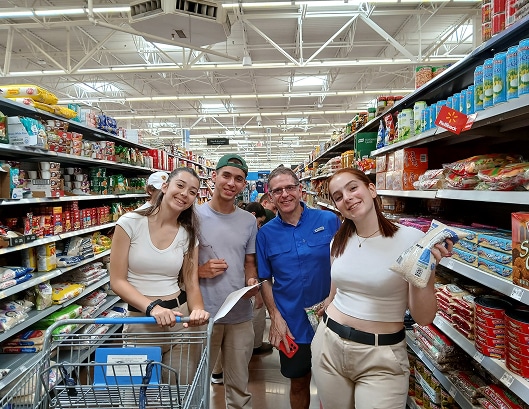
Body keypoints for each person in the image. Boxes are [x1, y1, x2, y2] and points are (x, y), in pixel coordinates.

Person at [311, 168, 453, 409]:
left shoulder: (411, 240)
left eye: (353, 187)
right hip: (328, 345)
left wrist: (424, 272)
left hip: (381, 356)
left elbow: (424, 316)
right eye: (337, 196)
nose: (347, 197)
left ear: (372, 189)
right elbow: (335, 292)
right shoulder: (339, 241)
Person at [110, 167, 210, 384]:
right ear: (165, 186)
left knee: (179, 393)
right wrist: (152, 307)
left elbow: (192, 284)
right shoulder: (130, 223)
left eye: (192, 192)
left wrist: (198, 311)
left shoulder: (188, 234)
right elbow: (117, 281)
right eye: (180, 186)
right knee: (137, 396)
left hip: (179, 322)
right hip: (142, 322)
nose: (185, 194)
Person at [256, 166, 341, 409]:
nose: (285, 194)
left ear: (300, 190)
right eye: (277, 190)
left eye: (290, 188)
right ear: (270, 197)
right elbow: (265, 279)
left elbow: (348, 262)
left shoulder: (328, 220)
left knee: (336, 384)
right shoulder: (266, 234)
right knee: (299, 382)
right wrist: (275, 317)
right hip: (292, 324)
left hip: (332, 318)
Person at [196, 154, 260, 409]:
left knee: (239, 386)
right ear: (214, 176)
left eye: (239, 179)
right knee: (198, 382)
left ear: (244, 185)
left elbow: (249, 262)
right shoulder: (193, 215)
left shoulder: (248, 221)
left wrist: (251, 281)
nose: (231, 183)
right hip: (204, 314)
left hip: (239, 314)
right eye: (227, 175)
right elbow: (178, 263)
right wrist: (199, 271)